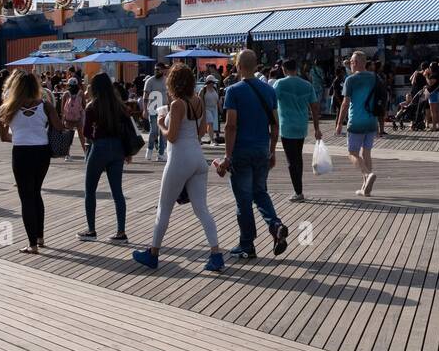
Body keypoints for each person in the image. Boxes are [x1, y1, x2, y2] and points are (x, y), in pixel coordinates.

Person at [133, 64, 224, 271]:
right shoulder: (198, 101)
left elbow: (172, 136)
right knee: (202, 209)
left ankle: (153, 254)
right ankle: (216, 254)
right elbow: (201, 132)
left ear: (173, 82)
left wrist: (162, 124)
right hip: (198, 159)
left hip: (180, 158)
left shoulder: (177, 105)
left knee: (164, 208)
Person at [218, 49, 289, 261]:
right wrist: (272, 151)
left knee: (243, 201)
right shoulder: (269, 91)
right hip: (261, 151)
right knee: (260, 192)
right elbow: (275, 125)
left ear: (238, 67)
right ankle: (275, 225)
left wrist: (227, 156)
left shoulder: (233, 91)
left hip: (241, 152)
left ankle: (247, 245)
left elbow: (231, 126)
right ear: (256, 65)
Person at [0, 70, 64, 253]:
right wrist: (39, 132)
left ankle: (32, 244)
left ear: (15, 87)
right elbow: (59, 127)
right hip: (42, 152)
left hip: (21, 152)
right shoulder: (46, 105)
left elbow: (3, 137)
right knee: (36, 192)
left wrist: (21, 136)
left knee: (26, 197)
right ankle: (40, 237)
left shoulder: (7, 108)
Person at [79, 72, 131, 243]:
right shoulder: (119, 106)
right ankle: (121, 232)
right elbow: (126, 130)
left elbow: (86, 132)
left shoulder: (92, 106)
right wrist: (127, 152)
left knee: (90, 191)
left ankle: (91, 230)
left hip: (99, 148)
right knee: (118, 192)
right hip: (118, 149)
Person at [274, 58, 322, 203]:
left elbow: (271, 103)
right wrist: (317, 128)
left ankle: (298, 191)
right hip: (301, 126)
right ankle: (298, 189)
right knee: (298, 158)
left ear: (284, 69)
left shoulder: (280, 84)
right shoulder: (307, 85)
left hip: (286, 126)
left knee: (290, 160)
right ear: (297, 69)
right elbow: (314, 107)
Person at [336, 50, 381, 196]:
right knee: (366, 152)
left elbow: (345, 103)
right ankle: (365, 187)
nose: (350, 64)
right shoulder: (375, 77)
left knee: (352, 153)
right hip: (372, 120)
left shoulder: (351, 80)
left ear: (354, 63)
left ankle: (368, 175)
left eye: (351, 62)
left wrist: (339, 123)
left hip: (356, 120)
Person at [142, 63, 169, 162]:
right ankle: (149, 150)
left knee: (163, 133)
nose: (156, 71)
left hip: (164, 109)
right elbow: (145, 97)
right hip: (153, 109)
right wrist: (145, 110)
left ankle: (161, 154)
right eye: (155, 69)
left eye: (158, 69)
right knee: (153, 131)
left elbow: (170, 95)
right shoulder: (150, 81)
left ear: (163, 70)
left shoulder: (167, 81)